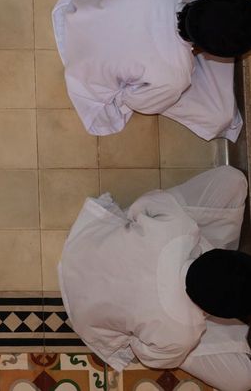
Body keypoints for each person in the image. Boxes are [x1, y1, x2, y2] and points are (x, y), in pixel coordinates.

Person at [59, 166, 251, 390]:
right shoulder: (181, 333)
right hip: (85, 308)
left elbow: (146, 204)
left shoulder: (176, 228)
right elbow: (147, 355)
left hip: (87, 245)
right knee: (243, 380)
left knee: (233, 180)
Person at [52, 0, 248, 141]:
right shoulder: (177, 76)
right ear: (209, 52)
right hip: (84, 69)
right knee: (219, 115)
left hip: (79, 15)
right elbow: (137, 102)